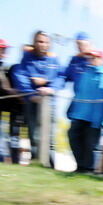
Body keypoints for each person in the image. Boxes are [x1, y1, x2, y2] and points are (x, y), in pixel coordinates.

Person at [13, 31, 63, 167]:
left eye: (46, 42)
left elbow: (60, 76)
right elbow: (20, 76)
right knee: (34, 134)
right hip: (32, 102)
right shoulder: (27, 58)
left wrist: (51, 88)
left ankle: (51, 166)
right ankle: (36, 163)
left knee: (50, 137)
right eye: (40, 41)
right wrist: (31, 95)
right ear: (34, 43)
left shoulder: (54, 59)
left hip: (49, 103)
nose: (43, 45)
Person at [66, 50, 103, 173]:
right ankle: (81, 166)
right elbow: (78, 93)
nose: (92, 59)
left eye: (95, 57)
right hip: (79, 114)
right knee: (73, 137)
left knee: (90, 144)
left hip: (94, 118)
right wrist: (71, 109)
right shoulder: (85, 73)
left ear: (102, 60)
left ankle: (88, 168)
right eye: (91, 57)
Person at [0, 38, 26, 164]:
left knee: (14, 134)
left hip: (12, 106)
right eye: (2, 49)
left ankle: (15, 159)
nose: (4, 51)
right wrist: (13, 92)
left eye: (5, 49)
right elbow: (4, 86)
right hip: (6, 103)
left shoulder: (10, 68)